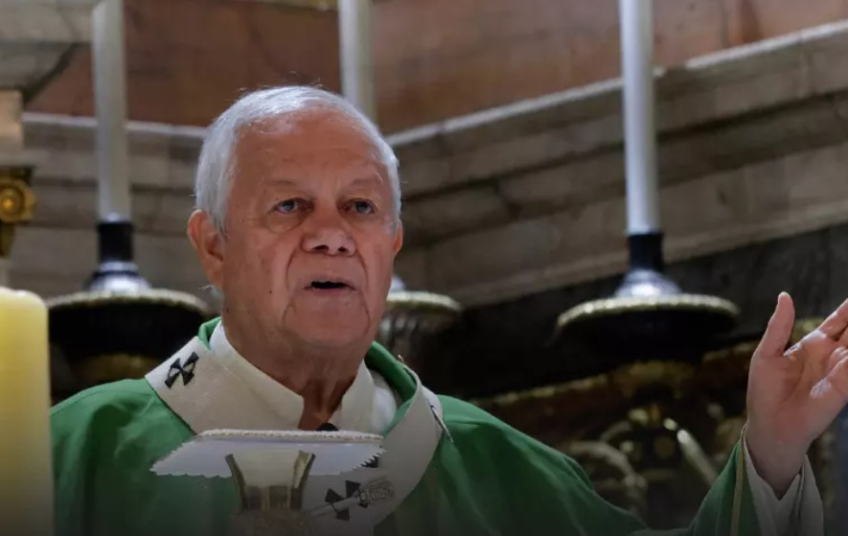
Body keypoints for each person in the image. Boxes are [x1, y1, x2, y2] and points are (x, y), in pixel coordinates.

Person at [51, 86, 844, 536]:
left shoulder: (487, 462)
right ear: (213, 245)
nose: (331, 235)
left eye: (360, 207)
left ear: (392, 243)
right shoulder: (76, 454)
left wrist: (772, 454)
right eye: (289, 206)